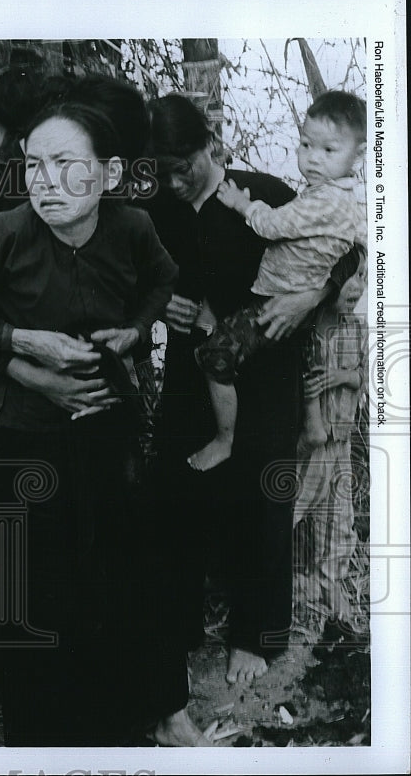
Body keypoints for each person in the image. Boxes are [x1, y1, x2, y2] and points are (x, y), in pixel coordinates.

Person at [0, 102, 184, 746]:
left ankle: (152, 713)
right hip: (20, 434)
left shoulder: (134, 228)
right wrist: (22, 342)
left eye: (65, 165)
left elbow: (163, 280)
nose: (46, 182)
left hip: (104, 422)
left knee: (123, 564)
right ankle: (31, 724)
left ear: (109, 174)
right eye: (34, 166)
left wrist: (139, 325)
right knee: (20, 574)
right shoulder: (6, 232)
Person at [142, 94, 362, 685]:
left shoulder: (263, 191)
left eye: (182, 165)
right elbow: (132, 276)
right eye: (162, 168)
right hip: (197, 370)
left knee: (264, 489)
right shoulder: (158, 208)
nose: (173, 179)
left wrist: (309, 297)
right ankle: (177, 627)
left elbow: (349, 254)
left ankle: (255, 636)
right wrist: (160, 304)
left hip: (269, 367)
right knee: (176, 478)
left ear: (209, 144)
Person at [188, 91, 367, 472]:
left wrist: (241, 204)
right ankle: (314, 424)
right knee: (301, 358)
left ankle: (224, 439)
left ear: (359, 153)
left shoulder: (323, 202)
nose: (313, 157)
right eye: (305, 144)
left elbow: (271, 226)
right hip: (298, 305)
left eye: (329, 149)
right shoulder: (343, 198)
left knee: (213, 355)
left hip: (275, 302)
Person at [293, 262, 367, 635]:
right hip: (310, 442)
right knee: (296, 504)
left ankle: (330, 579)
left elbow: (367, 378)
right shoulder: (306, 329)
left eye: (365, 279)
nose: (357, 288)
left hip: (342, 440)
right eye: (351, 278)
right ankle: (287, 576)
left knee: (339, 514)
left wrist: (343, 376)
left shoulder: (358, 329)